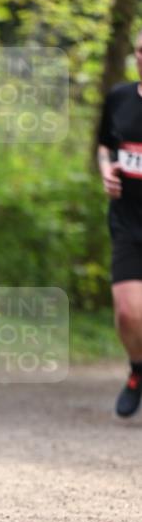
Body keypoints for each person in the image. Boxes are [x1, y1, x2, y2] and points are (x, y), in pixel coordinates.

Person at [97, 27, 142, 418]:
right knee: (128, 313)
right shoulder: (120, 98)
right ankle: (136, 371)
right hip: (128, 223)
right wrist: (105, 172)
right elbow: (104, 145)